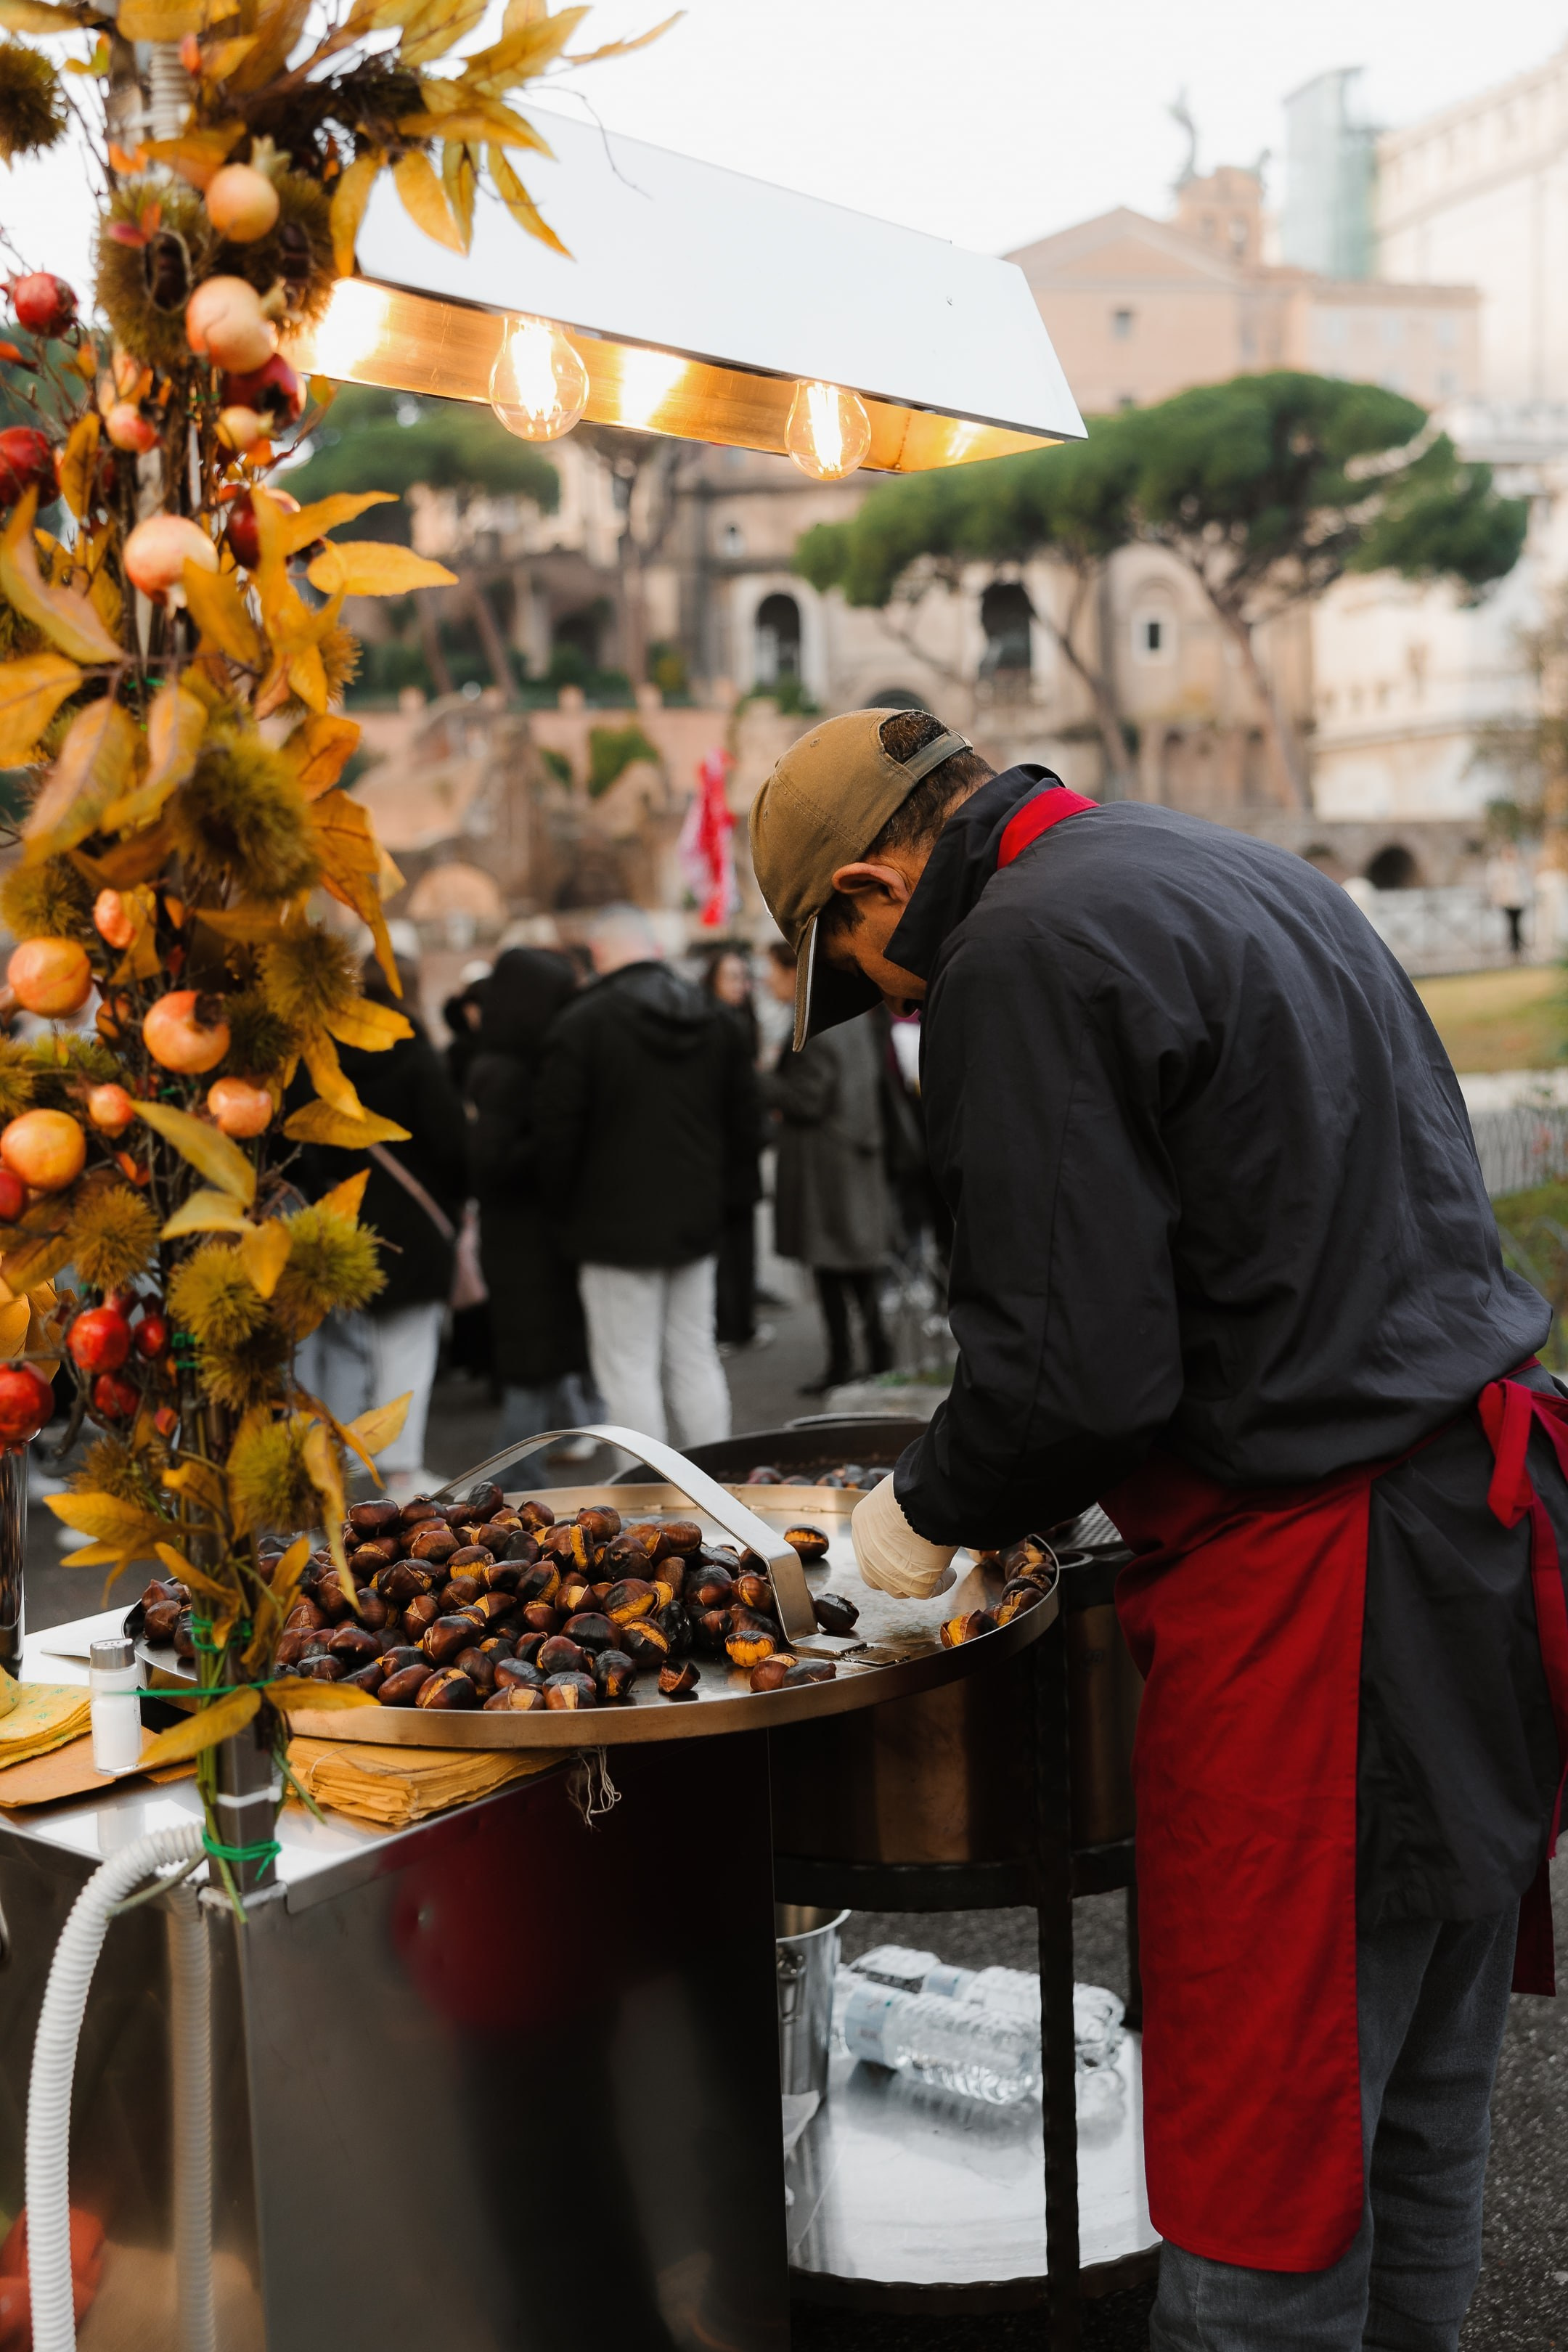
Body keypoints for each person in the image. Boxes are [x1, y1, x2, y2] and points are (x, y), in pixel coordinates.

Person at [749, 706, 1568, 2352]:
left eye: (868, 974)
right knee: (1417, 2112)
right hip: (1474, 1538)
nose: (893, 1007)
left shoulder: (1012, 949)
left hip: (1323, 1602)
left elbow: (1069, 1376)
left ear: (869, 886)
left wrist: (912, 1526)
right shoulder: (1228, 863)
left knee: (1271, 2172)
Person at [535, 905, 757, 1447]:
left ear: (600, 954)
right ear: (654, 948)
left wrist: (560, 1213)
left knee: (626, 1366)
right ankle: (710, 1480)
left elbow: (557, 1136)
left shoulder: (581, 1024)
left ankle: (644, 1492)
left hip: (610, 1224)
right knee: (695, 1353)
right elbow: (746, 1125)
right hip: (695, 1216)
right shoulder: (717, 1018)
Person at [294, 955, 467, 1498]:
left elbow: (304, 1142)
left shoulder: (320, 1056)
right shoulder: (413, 1050)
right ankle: (401, 1472)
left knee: (345, 1347)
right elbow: (452, 1142)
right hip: (410, 1225)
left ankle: (338, 1463)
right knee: (406, 1350)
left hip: (338, 1220)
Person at [466, 947, 596, 1448]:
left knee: (544, 1357)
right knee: (533, 1366)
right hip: (522, 1240)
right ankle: (518, 1474)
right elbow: (490, 1162)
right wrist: (554, 1135)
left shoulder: (506, 1062)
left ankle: (567, 1440)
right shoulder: (510, 1073)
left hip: (522, 1236)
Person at [761, 942, 892, 1394]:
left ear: (794, 972)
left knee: (833, 1269)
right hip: (854, 1156)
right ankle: (876, 1357)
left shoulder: (814, 1023)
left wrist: (761, 1080)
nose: (766, 981)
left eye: (772, 971)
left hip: (826, 1166)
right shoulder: (852, 1013)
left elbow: (809, 1099)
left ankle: (845, 1363)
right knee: (858, 1267)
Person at [698, 944, 764, 1349]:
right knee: (727, 1246)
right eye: (731, 977)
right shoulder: (715, 1025)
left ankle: (742, 1322)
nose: (741, 985)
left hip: (739, 1153)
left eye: (744, 977)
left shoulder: (741, 1020)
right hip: (725, 1152)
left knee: (742, 1244)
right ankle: (731, 1325)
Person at [1486, 841, 1532, 958]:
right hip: (1506, 901)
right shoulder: (1498, 867)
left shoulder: (1519, 867)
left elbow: (1525, 884)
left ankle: (1517, 949)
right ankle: (1513, 949)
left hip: (1519, 901)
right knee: (1511, 925)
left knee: (1517, 925)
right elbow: (1494, 884)